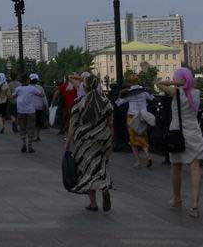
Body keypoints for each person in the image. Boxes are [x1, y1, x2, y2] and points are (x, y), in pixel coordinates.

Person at [156, 68, 203, 218]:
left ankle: (177, 199)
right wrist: (185, 82)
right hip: (194, 133)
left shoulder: (176, 92)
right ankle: (194, 205)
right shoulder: (196, 93)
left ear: (180, 79)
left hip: (178, 133)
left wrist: (175, 83)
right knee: (195, 168)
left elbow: (158, 83)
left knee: (176, 167)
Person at [64, 74, 113, 212]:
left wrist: (68, 142)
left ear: (84, 87)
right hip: (103, 138)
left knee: (87, 169)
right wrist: (111, 141)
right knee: (101, 165)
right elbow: (110, 124)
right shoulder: (106, 102)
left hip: (85, 141)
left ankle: (93, 203)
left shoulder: (79, 102)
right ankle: (104, 187)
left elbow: (72, 125)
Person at [115, 74, 155, 169]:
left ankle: (138, 161)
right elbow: (152, 98)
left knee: (133, 139)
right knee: (143, 136)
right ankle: (147, 154)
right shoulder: (143, 91)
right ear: (138, 81)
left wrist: (120, 93)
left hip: (132, 117)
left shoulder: (129, 93)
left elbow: (118, 103)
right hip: (143, 117)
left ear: (130, 82)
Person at [13, 74, 45, 153]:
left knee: (22, 127)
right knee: (31, 128)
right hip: (30, 111)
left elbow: (12, 96)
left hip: (20, 110)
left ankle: (23, 143)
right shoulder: (32, 88)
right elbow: (42, 94)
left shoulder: (18, 88)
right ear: (28, 80)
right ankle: (30, 146)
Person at [31, 74, 49, 141]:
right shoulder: (40, 88)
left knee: (32, 122)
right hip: (39, 107)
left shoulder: (28, 87)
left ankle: (33, 135)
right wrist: (46, 106)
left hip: (31, 107)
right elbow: (44, 97)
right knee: (37, 122)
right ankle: (37, 135)